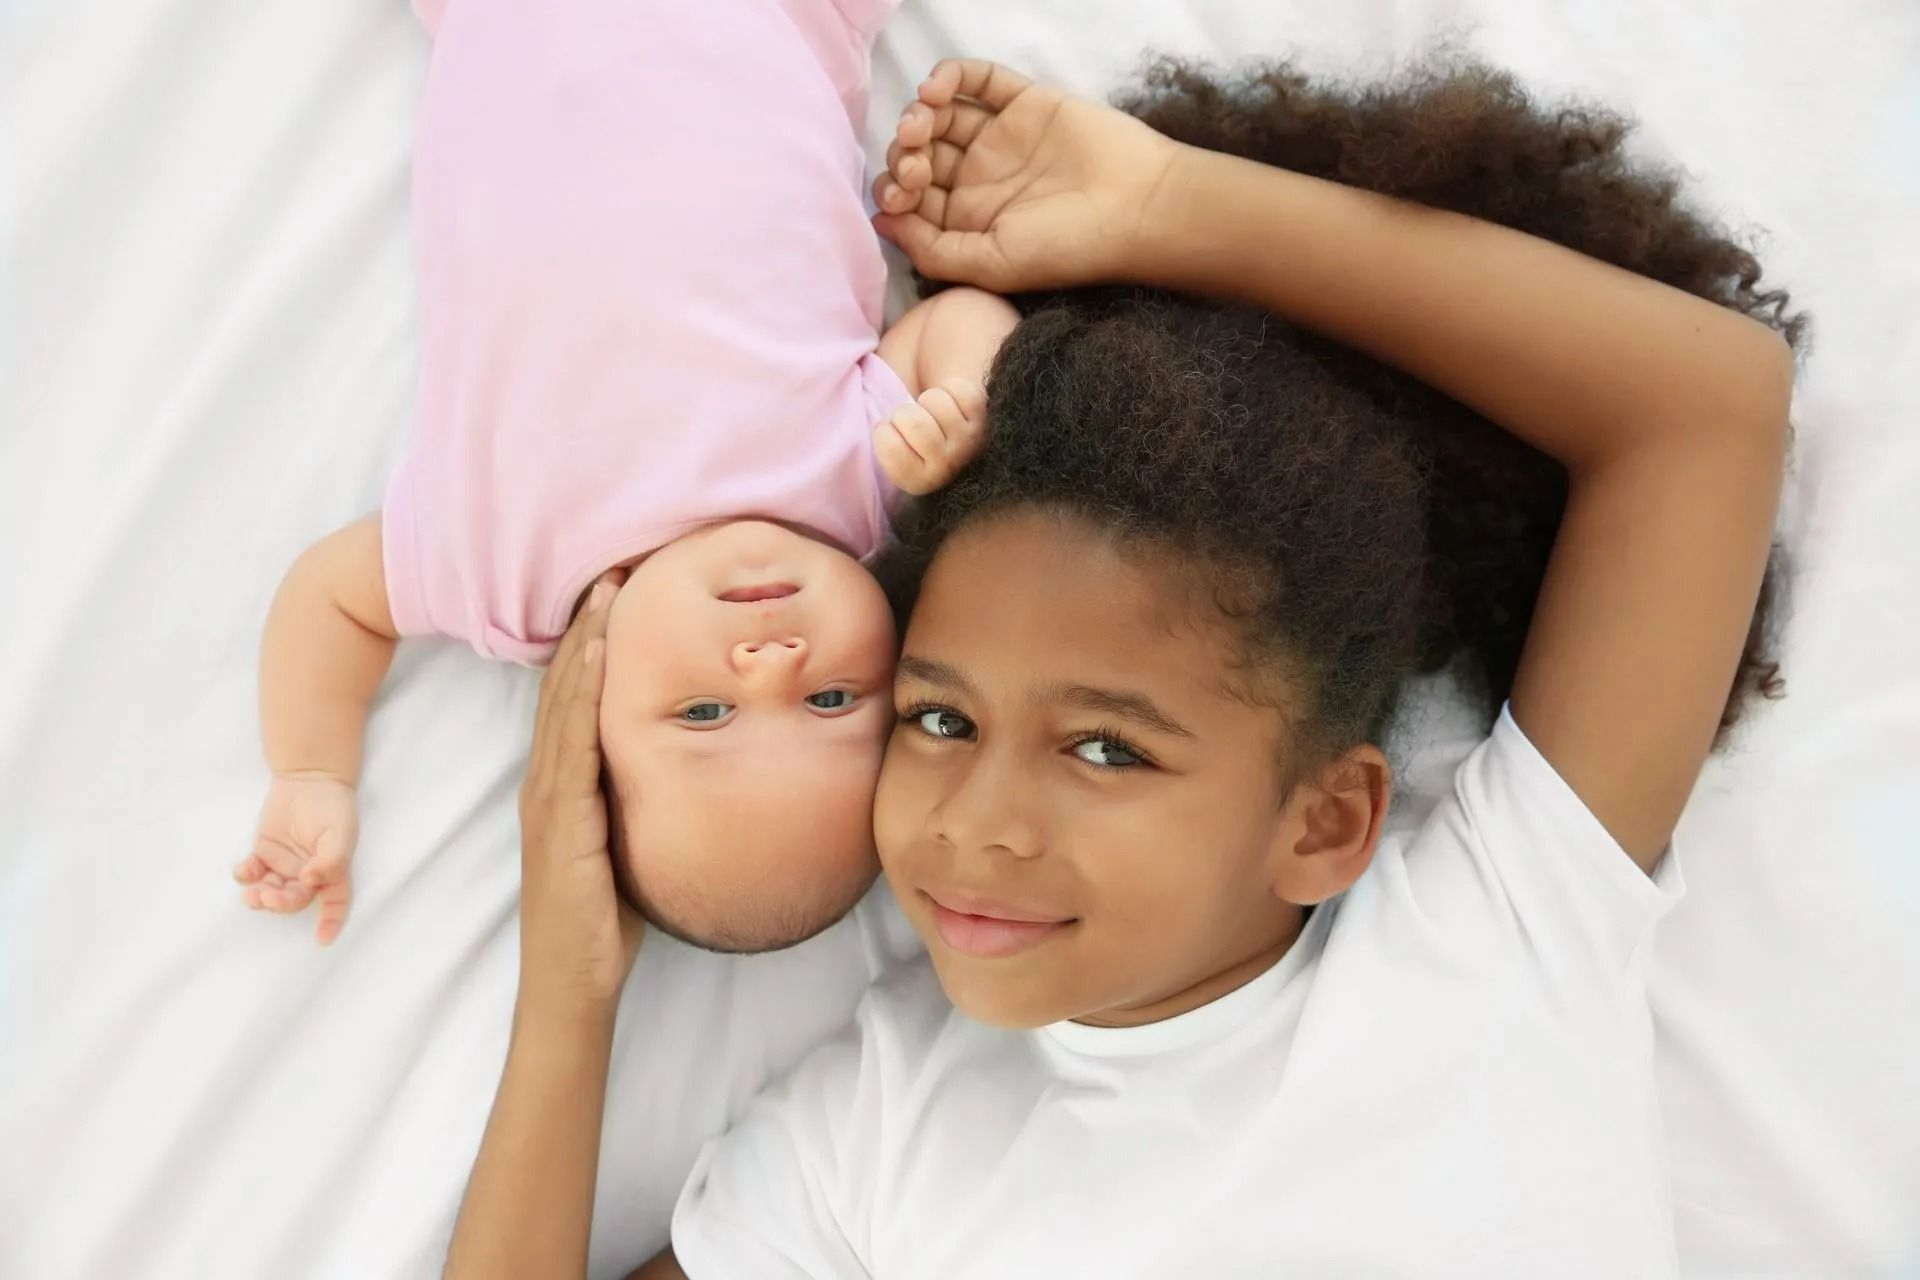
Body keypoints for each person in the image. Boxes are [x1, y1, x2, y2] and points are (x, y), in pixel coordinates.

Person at [449, 54, 1795, 1278]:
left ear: (1325, 820)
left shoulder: (1495, 937)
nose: (977, 822)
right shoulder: (876, 1129)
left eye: (1107, 747)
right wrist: (569, 999)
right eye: (937, 717)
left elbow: (1704, 409)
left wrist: (1164, 204)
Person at [229, 0, 1021, 952]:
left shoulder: (505, 576)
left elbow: (333, 599)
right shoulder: (870, 488)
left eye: (704, 712)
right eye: (829, 701)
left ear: (587, 725)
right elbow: (957, 316)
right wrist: (969, 406)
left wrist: (312, 773)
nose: (771, 663)